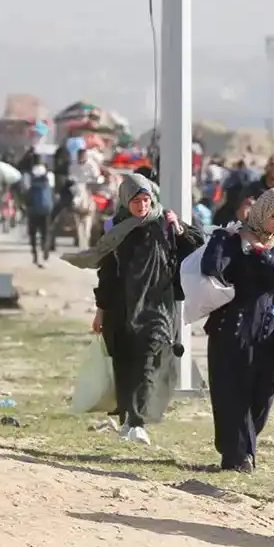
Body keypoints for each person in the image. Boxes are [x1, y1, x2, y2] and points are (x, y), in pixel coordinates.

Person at [67, 175, 205, 446]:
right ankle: (129, 418)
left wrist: (180, 230)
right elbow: (106, 274)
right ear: (125, 201)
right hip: (122, 308)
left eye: (146, 200)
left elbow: (198, 249)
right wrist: (101, 311)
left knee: (148, 360)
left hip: (158, 307)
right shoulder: (114, 228)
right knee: (125, 364)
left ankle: (138, 421)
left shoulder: (165, 223)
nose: (142, 205)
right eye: (136, 201)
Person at [201, 188, 274, 472]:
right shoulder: (233, 239)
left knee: (262, 397)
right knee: (232, 394)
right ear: (260, 213)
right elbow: (212, 267)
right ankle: (238, 456)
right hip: (231, 328)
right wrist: (223, 238)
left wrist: (259, 250)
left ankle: (241, 448)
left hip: (268, 334)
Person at [25, 163, 55, 266]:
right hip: (46, 210)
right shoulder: (49, 176)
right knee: (45, 233)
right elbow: (52, 192)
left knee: (32, 234)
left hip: (32, 210)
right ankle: (45, 253)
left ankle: (35, 254)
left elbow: (25, 191)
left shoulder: (28, 176)